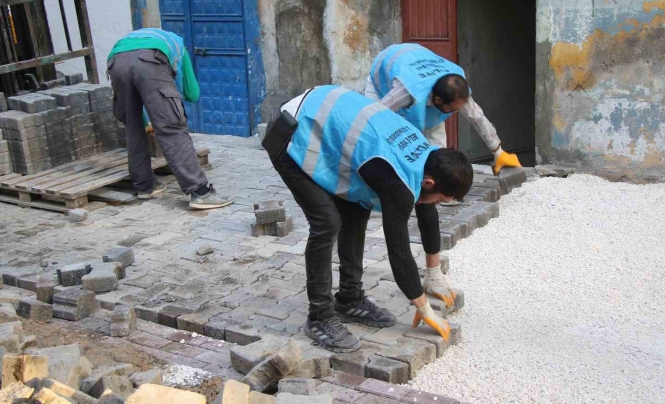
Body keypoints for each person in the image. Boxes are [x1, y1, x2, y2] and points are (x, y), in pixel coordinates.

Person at [264, 85, 473, 353]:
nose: (439, 205)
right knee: (327, 222)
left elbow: (427, 213)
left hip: (323, 120)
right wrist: (423, 307)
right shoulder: (398, 179)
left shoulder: (427, 158)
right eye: (443, 199)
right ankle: (320, 317)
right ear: (430, 182)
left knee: (356, 206)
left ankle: (349, 299)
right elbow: (399, 252)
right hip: (291, 132)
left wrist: (433, 273)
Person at [364, 43, 522, 309]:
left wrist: (498, 151)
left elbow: (477, 117)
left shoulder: (456, 88)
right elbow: (372, 119)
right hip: (381, 94)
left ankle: (433, 273)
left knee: (432, 183)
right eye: (450, 111)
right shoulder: (403, 93)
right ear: (437, 102)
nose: (454, 114)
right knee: (413, 181)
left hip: (422, 93)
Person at [107, 28, 233, 210]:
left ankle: (145, 186)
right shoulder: (178, 46)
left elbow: (131, 111)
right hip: (150, 62)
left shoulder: (132, 40)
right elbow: (193, 93)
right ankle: (201, 192)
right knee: (171, 126)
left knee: (132, 127)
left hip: (115, 62)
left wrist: (145, 123)